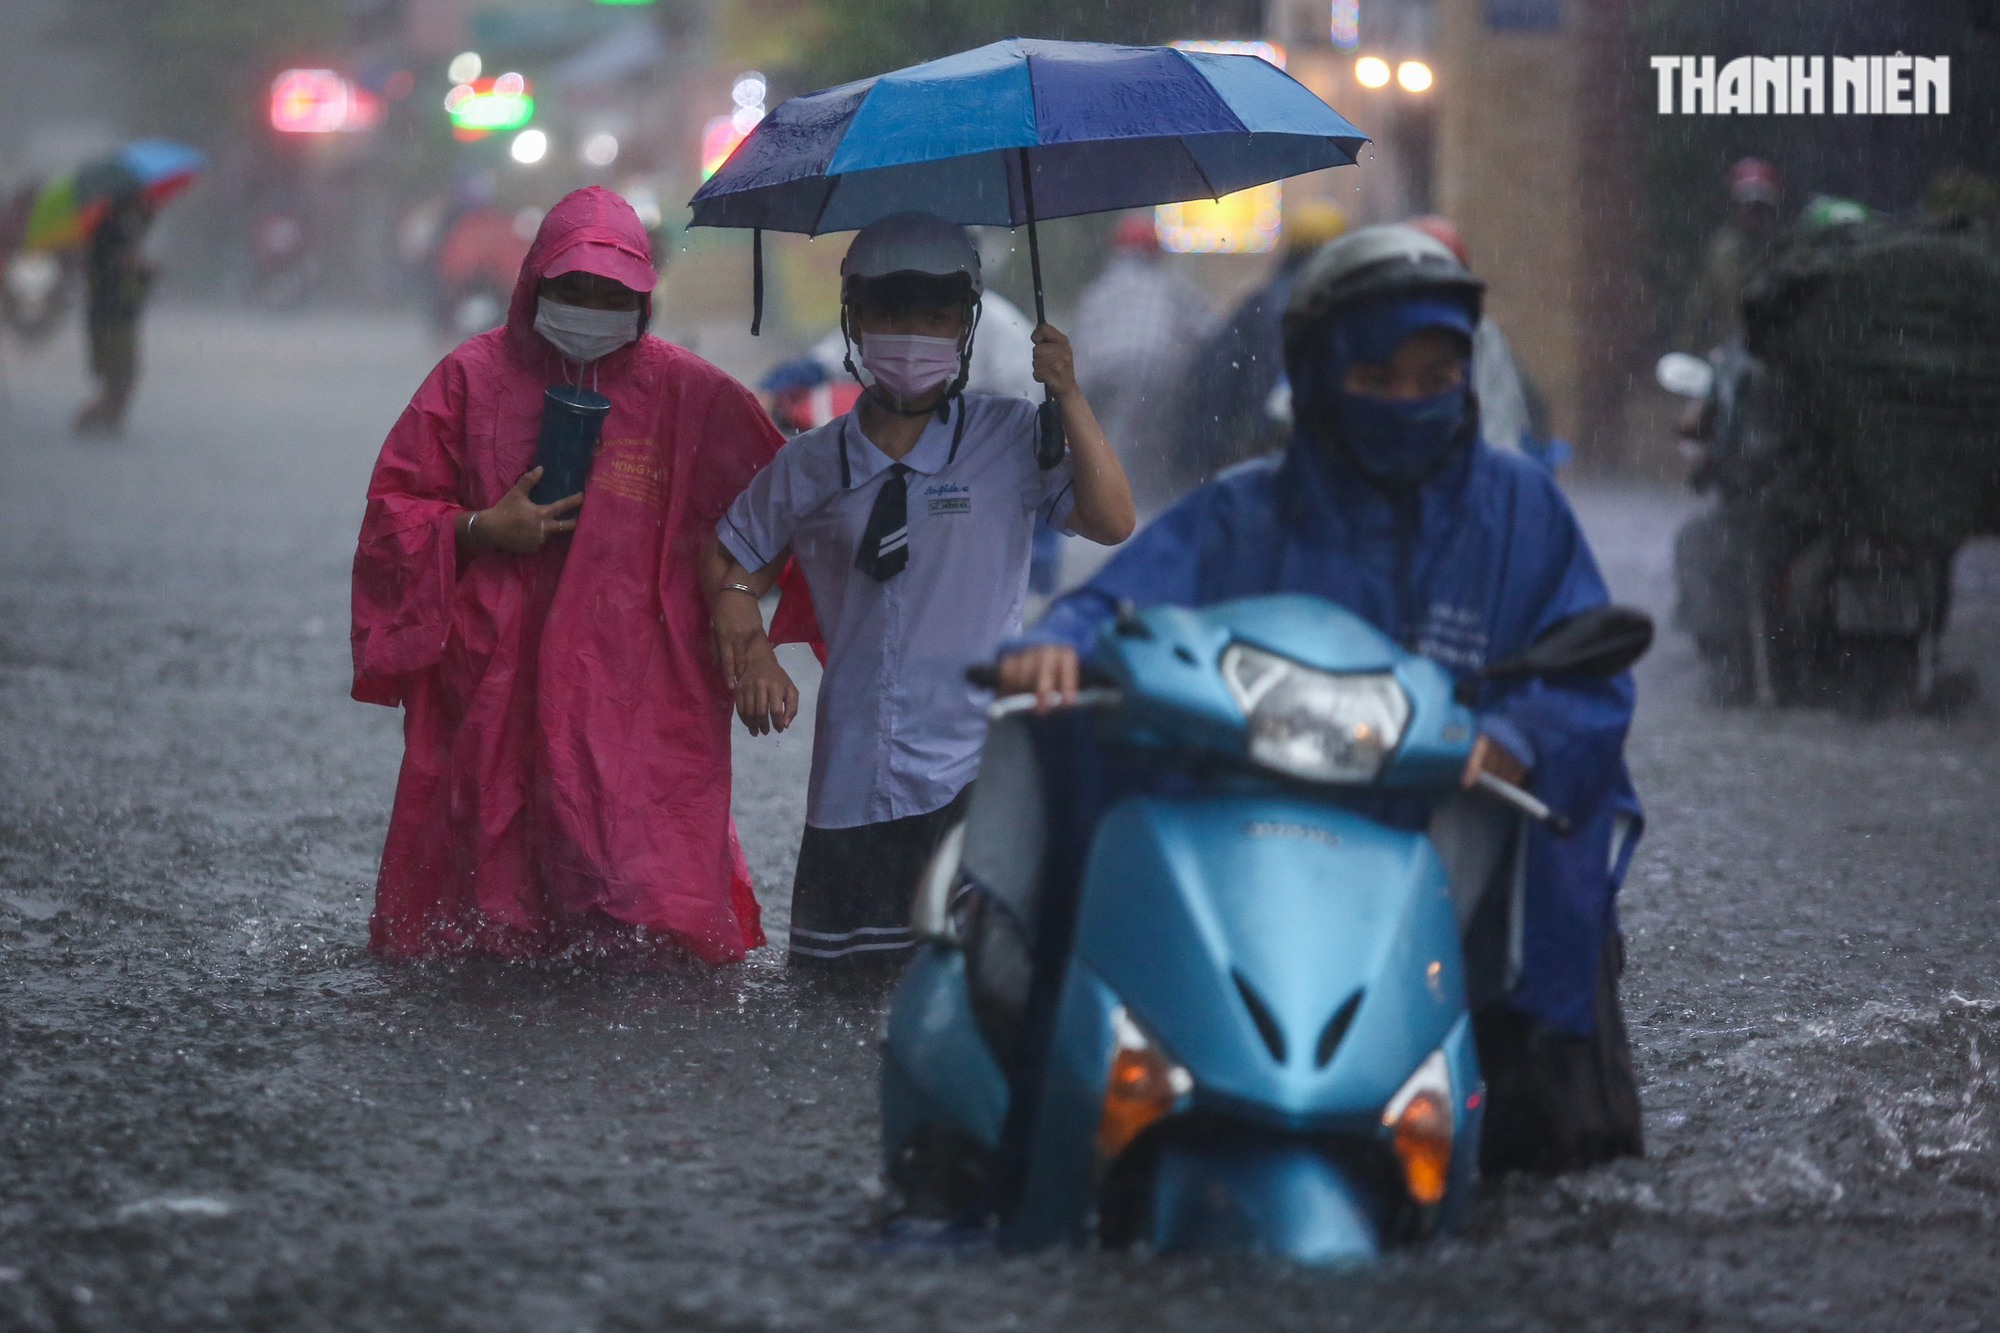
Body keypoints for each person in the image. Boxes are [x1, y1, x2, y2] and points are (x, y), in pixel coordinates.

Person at [998, 224, 1645, 1173]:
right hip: (1274, 850)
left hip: (1473, 851)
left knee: (1555, 1151)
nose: (1408, 402)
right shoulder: (1248, 509)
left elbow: (1587, 671)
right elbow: (1116, 603)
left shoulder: (1521, 509)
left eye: (1435, 378)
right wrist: (1055, 647)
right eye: (1376, 379)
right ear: (1316, 375)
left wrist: (1519, 734)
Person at [351, 186, 800, 964]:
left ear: (643, 298)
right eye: (574, 290)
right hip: (496, 673)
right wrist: (478, 527)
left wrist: (742, 617)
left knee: (634, 896)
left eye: (611, 294)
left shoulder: (689, 391)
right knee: (490, 887)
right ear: (535, 287)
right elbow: (393, 514)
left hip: (641, 677)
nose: (591, 307)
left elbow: (786, 503)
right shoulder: (469, 380)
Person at [705, 212, 1135, 971]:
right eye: (891, 311)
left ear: (966, 325)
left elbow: (1111, 519)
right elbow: (732, 564)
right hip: (851, 778)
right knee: (834, 1000)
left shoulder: (1010, 438)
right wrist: (755, 650)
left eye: (935, 315)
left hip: (976, 772)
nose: (913, 332)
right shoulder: (811, 462)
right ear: (855, 321)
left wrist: (1068, 393)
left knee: (973, 988)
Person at [1167, 200, 1347, 492]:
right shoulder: (1348, 305)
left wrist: (1203, 453)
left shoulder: (1262, 301)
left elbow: (1218, 375)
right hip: (1329, 448)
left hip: (1262, 441)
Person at [1071, 214, 1216, 513]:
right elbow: (1209, 330)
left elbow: (1081, 338)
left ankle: (1094, 498)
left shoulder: (1101, 287)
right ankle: (1125, 504)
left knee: (1100, 437)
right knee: (1138, 443)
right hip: (1154, 371)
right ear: (1155, 253)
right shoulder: (1170, 286)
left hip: (1098, 370)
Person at [1676, 157, 1783, 353]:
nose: (1755, 214)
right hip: (1728, 356)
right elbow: (1701, 306)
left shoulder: (1783, 250)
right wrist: (1687, 350)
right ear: (1735, 206)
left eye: (1761, 206)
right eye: (1749, 205)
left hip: (1773, 354)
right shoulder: (1723, 251)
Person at [73, 193, 154, 435]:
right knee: (120, 379)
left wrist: (143, 272)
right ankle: (92, 422)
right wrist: (136, 267)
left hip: (117, 315)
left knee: (122, 379)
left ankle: (107, 424)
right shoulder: (110, 231)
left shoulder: (121, 231)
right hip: (110, 317)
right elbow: (116, 270)